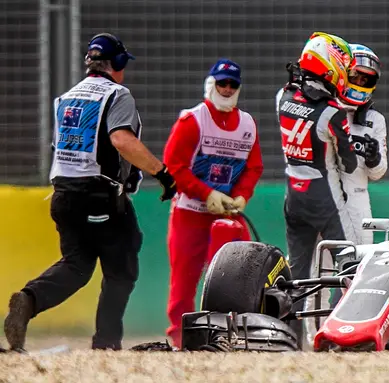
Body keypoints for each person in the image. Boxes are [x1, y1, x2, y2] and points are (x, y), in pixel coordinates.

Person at [3, 33, 177, 352]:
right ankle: (106, 345)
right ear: (118, 64)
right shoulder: (117, 94)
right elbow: (122, 140)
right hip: (99, 195)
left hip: (63, 195)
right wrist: (162, 173)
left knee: (77, 266)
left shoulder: (66, 98)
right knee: (121, 267)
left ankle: (28, 300)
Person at [162, 58, 264, 349]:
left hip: (228, 216)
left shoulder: (247, 123)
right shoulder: (192, 120)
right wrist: (205, 194)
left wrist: (243, 194)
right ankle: (181, 338)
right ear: (212, 84)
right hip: (189, 214)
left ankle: (237, 333)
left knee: (238, 274)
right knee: (185, 278)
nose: (228, 89)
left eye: (233, 84)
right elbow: (174, 166)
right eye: (223, 83)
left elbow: (254, 167)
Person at [277, 32, 358, 344]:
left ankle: (289, 339)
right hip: (324, 197)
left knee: (296, 276)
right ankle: (342, 336)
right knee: (348, 263)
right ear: (330, 65)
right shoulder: (332, 113)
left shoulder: (281, 97)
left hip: (292, 197)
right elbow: (349, 163)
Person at [336, 43, 388, 245]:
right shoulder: (323, 111)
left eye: (365, 79)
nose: (359, 82)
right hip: (322, 198)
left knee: (358, 263)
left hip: (357, 201)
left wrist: (374, 158)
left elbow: (378, 173)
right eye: (356, 76)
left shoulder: (376, 120)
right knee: (315, 265)